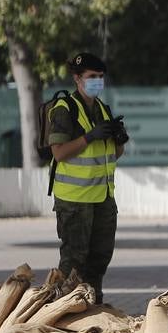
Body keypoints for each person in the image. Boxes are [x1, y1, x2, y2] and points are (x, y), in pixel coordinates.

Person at [48, 52, 128, 296]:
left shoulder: (102, 109)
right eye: (92, 76)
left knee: (99, 259)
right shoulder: (65, 109)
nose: (97, 81)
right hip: (74, 201)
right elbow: (59, 152)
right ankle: (60, 311)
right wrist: (90, 136)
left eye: (101, 77)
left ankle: (92, 308)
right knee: (74, 261)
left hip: (102, 197)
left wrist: (119, 139)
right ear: (77, 78)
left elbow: (111, 155)